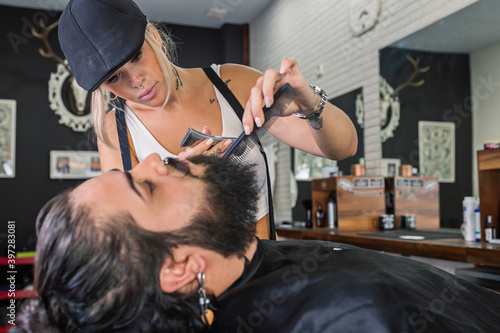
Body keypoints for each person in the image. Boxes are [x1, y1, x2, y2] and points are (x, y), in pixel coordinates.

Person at [14, 154, 500, 333]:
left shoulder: (248, 263)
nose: (157, 159)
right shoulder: (348, 319)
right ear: (179, 269)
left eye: (132, 168)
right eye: (148, 188)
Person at [57, 0, 358, 239]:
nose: (136, 80)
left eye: (136, 57)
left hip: (266, 281)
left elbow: (344, 147)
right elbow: (131, 238)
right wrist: (176, 183)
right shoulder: (116, 130)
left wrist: (311, 104)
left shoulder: (231, 83)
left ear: (155, 37)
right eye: (115, 77)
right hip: (195, 299)